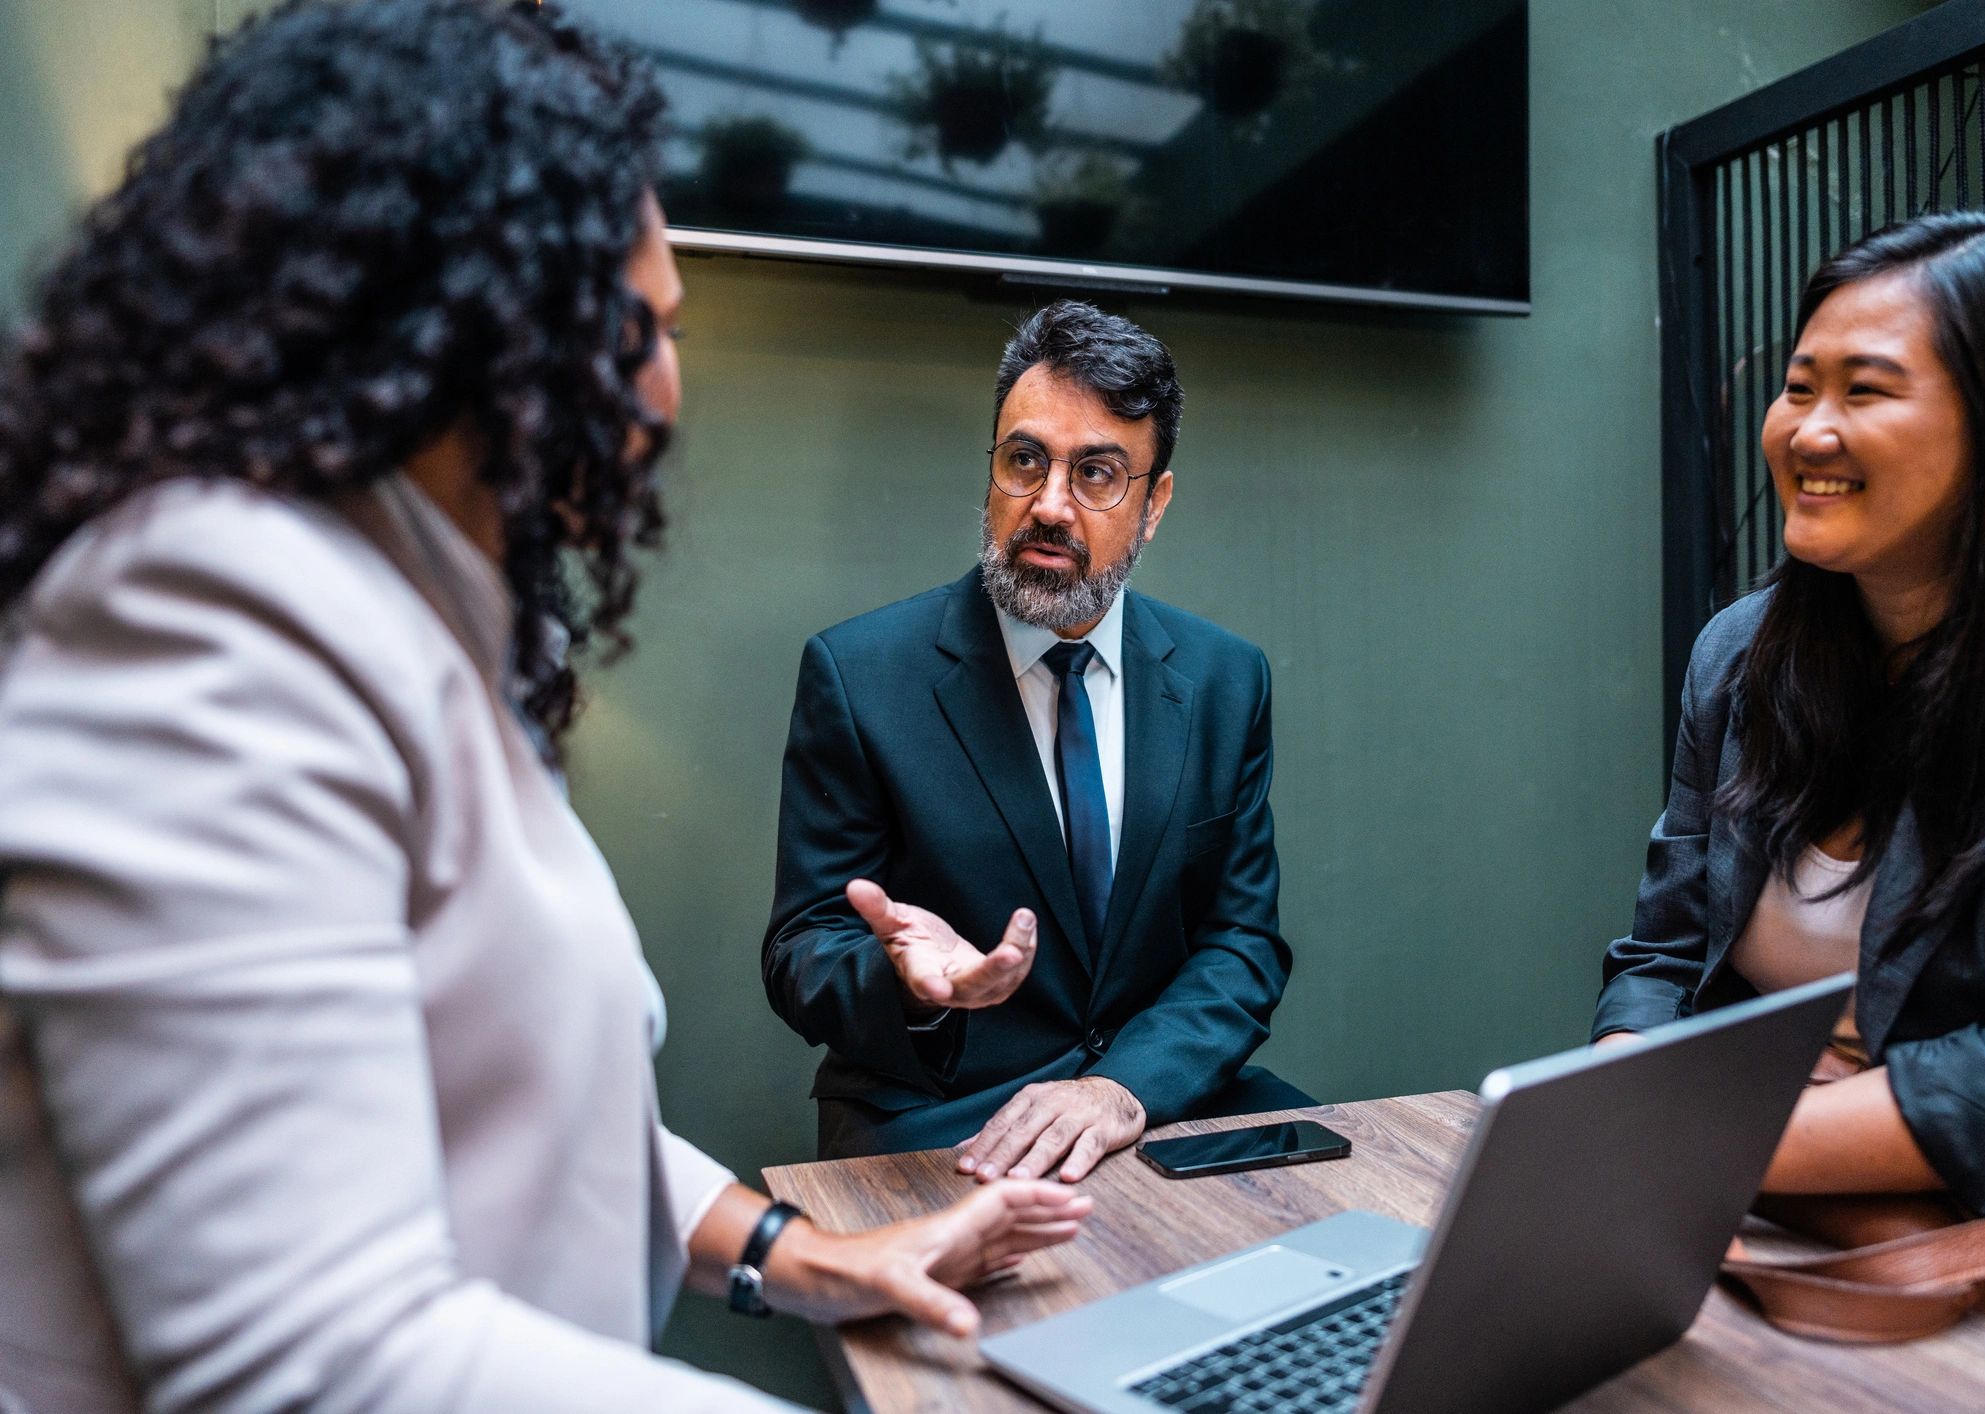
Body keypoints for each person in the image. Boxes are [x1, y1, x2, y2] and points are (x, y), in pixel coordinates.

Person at [0, 4, 1091, 1411]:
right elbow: (314, 1361)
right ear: (470, 316)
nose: (668, 387)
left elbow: (527, 1108)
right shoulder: (202, 619)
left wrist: (815, 1256)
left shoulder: (424, 632)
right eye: (647, 325)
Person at [1595, 212, 1985, 1216]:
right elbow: (1663, 955)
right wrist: (1619, 1094)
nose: (1808, 431)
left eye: (1865, 390)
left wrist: (1693, 1144)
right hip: (1729, 1196)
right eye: (1798, 388)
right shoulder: (1738, 654)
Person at [763, 300, 1311, 1177]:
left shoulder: (1224, 678)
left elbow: (1240, 942)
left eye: (1096, 474)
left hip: (1155, 1100)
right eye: (1024, 461)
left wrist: (1122, 1087)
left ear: (1154, 504)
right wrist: (912, 986)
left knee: (1381, 1218)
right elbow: (804, 948)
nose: (1049, 505)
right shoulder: (858, 673)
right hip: (944, 1112)